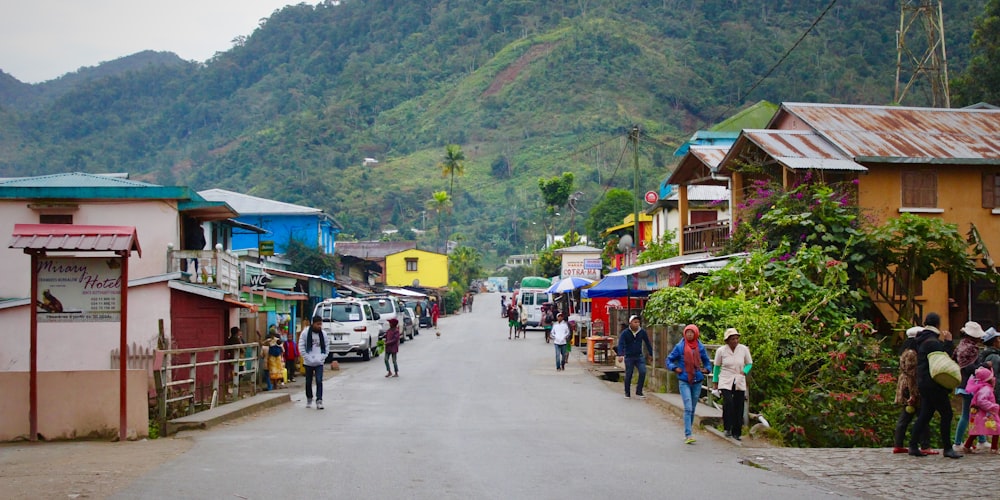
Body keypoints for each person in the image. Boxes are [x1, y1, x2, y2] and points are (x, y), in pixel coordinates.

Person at [909, 312, 961, 458]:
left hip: (923, 382)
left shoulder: (921, 339)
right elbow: (943, 362)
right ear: (937, 324)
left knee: (925, 414)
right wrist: (949, 342)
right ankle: (947, 448)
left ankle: (913, 445)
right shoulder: (933, 341)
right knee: (947, 414)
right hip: (934, 383)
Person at [667, 324, 712, 444]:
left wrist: (707, 369)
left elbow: (707, 361)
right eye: (688, 332)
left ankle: (689, 430)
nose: (690, 334)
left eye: (692, 332)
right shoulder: (680, 346)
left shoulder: (700, 347)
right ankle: (688, 434)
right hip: (684, 380)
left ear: (696, 334)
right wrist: (674, 368)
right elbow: (669, 360)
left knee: (692, 408)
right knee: (688, 407)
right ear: (684, 333)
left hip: (697, 380)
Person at [893, 326, 932, 454]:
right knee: (921, 416)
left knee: (907, 416)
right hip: (911, 388)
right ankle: (925, 445)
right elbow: (912, 375)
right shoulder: (912, 354)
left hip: (906, 386)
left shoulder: (906, 351)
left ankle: (899, 444)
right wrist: (913, 393)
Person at [712, 328, 752, 441]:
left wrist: (744, 371)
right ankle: (727, 427)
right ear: (727, 340)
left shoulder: (743, 349)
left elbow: (749, 363)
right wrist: (715, 382)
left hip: (739, 378)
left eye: (736, 338)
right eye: (732, 339)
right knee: (728, 402)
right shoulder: (721, 351)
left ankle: (737, 431)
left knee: (739, 405)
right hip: (725, 379)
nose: (735, 341)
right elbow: (717, 367)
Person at [952, 321, 986, 452]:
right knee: (967, 414)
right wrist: (984, 367)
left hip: (962, 382)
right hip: (970, 385)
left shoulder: (960, 345)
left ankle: (982, 440)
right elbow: (971, 368)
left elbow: (954, 359)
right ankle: (958, 442)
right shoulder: (972, 348)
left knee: (974, 412)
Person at [960, 366, 1000, 453]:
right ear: (988, 380)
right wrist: (993, 406)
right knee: (996, 428)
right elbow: (981, 401)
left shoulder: (982, 387)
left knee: (977, 429)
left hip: (978, 413)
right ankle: (994, 448)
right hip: (986, 413)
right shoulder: (986, 389)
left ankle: (967, 446)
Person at [616, 315, 653, 400]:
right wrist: (620, 354)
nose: (637, 324)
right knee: (629, 374)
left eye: (638, 322)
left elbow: (647, 343)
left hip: (639, 356)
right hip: (629, 356)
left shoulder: (642, 332)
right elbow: (621, 344)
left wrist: (651, 354)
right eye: (635, 322)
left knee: (643, 371)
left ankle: (639, 391)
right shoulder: (625, 333)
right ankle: (627, 392)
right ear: (630, 323)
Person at [298, 315, 327, 410]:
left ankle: (319, 400)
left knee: (319, 381)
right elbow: (301, 346)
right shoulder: (305, 333)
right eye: (318, 324)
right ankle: (309, 398)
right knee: (308, 382)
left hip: (319, 362)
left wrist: (323, 357)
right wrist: (306, 357)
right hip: (308, 362)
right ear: (313, 323)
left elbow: (327, 346)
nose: (319, 326)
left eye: (320, 324)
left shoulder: (323, 334)